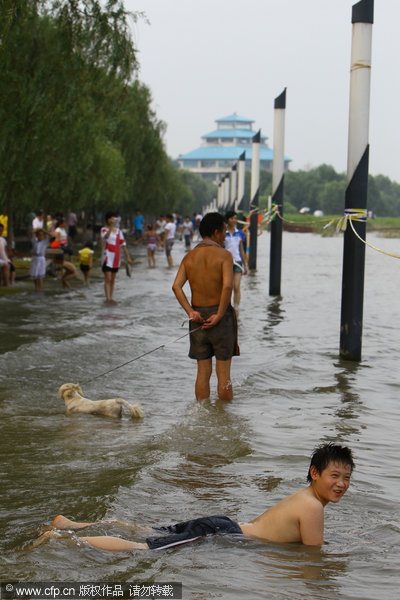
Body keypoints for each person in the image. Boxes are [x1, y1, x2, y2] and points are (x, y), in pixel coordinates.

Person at [31, 444, 354, 551]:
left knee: (148, 531)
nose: (340, 484)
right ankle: (63, 538)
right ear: (315, 474)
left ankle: (71, 523)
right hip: (223, 533)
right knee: (143, 549)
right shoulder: (313, 506)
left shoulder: (302, 497)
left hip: (223, 525)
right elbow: (314, 557)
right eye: (334, 476)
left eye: (346, 478)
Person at [172, 212, 238, 401]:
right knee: (223, 373)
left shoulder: (189, 257)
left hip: (198, 317)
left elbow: (176, 286)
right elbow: (227, 285)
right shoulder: (224, 255)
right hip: (220, 316)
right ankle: (224, 417)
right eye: (224, 232)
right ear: (216, 232)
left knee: (203, 372)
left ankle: (201, 413)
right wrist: (219, 314)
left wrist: (191, 312)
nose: (225, 236)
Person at [101, 211, 132, 302]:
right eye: (110, 218)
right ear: (107, 219)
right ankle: (108, 298)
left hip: (116, 258)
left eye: (113, 218)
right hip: (107, 256)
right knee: (108, 278)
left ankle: (111, 297)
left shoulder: (119, 232)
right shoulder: (103, 229)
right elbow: (106, 237)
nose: (112, 220)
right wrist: (111, 227)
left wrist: (128, 257)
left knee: (113, 279)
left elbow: (123, 245)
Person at [224, 210, 248, 310]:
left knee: (236, 286)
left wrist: (245, 265)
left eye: (235, 218)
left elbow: (241, 250)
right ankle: (227, 307)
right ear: (227, 219)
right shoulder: (223, 233)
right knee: (228, 287)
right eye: (232, 218)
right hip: (226, 262)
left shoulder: (239, 233)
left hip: (238, 262)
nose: (234, 220)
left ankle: (236, 308)